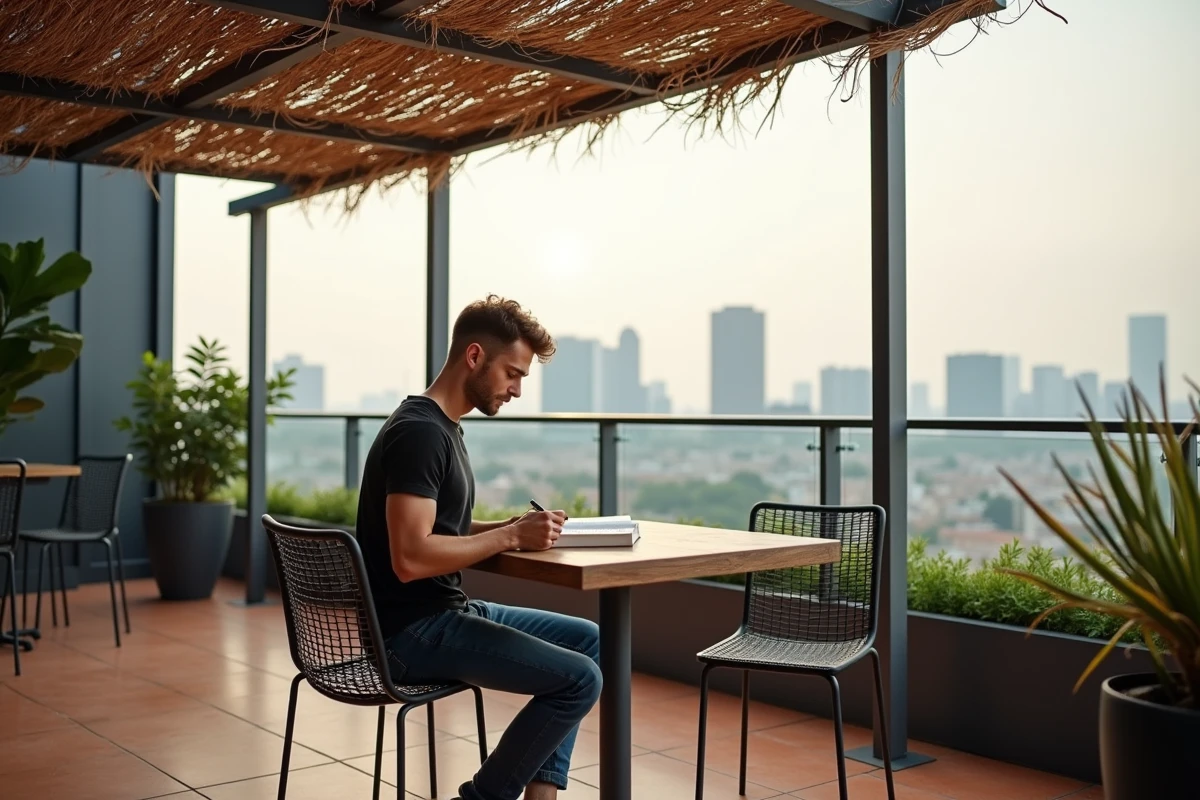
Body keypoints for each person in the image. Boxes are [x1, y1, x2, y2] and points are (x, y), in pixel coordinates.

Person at [355, 295, 602, 800]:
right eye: (512, 374)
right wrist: (510, 537)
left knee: (589, 639)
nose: (515, 390)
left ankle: (541, 797)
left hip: (442, 612)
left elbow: (440, 528)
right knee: (580, 680)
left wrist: (508, 524)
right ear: (474, 357)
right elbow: (410, 558)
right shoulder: (420, 434)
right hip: (409, 635)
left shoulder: (442, 426)